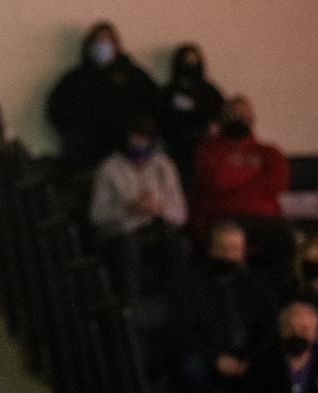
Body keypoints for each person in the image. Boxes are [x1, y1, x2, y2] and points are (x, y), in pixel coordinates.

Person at [168, 220, 277, 393]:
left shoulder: (258, 286)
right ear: (211, 250)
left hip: (249, 353)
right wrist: (216, 358)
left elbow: (268, 329)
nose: (229, 255)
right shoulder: (190, 285)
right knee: (191, 368)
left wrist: (251, 358)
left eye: (234, 249)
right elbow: (181, 329)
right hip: (208, 353)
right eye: (223, 248)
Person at [191, 95, 293, 288]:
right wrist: (256, 181)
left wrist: (236, 184)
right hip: (222, 217)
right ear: (223, 118)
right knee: (227, 241)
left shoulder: (268, 152)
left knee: (286, 239)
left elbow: (279, 181)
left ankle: (278, 299)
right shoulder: (209, 150)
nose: (240, 120)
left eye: (245, 115)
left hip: (263, 221)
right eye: (234, 114)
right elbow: (217, 181)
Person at [88, 115, 188, 299]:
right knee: (128, 248)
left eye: (144, 138)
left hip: (156, 229)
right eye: (134, 138)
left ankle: (176, 303)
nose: (139, 144)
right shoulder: (108, 169)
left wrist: (159, 209)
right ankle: (130, 308)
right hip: (121, 233)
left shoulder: (163, 166)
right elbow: (96, 216)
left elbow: (181, 214)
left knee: (178, 246)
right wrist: (128, 209)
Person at [47, 21, 161, 172]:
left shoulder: (132, 74)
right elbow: (57, 109)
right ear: (89, 45)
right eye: (98, 41)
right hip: (89, 153)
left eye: (107, 40)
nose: (102, 45)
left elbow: (155, 102)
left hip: (127, 151)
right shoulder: (76, 78)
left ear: (116, 45)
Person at [159, 44, 224, 192]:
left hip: (206, 150)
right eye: (186, 60)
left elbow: (219, 118)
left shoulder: (209, 92)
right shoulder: (168, 92)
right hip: (176, 151)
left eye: (193, 60)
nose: (189, 64)